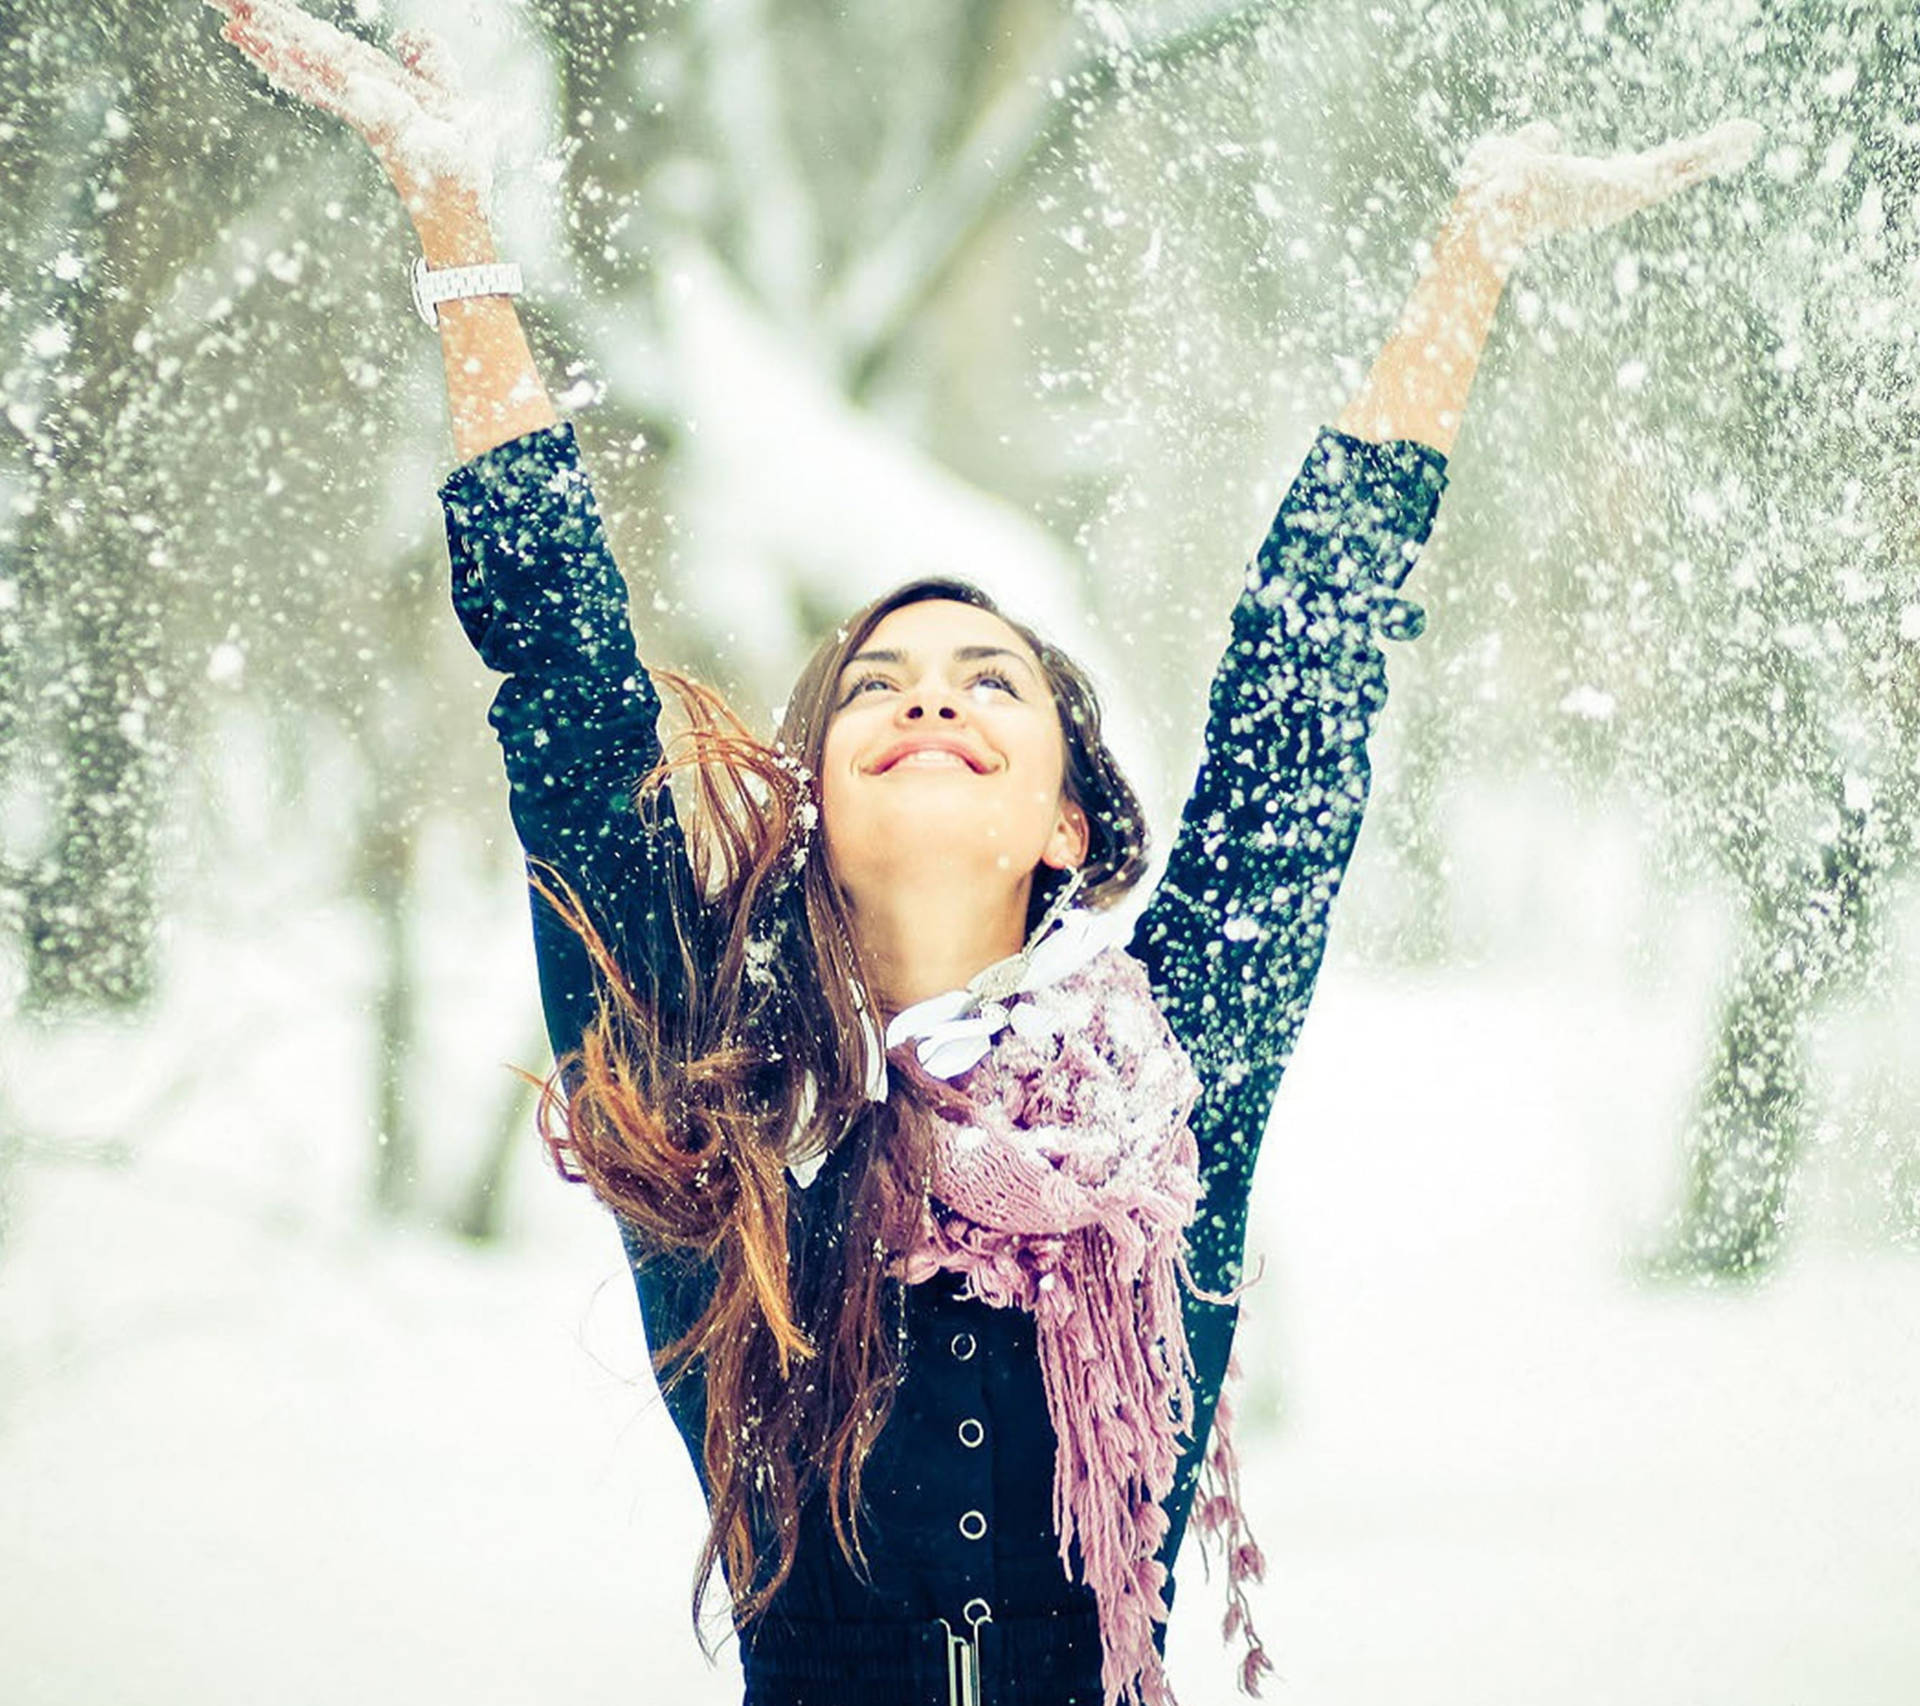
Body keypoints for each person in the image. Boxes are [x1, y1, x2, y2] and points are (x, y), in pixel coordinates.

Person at [207, 4, 1759, 1703]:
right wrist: (451, 215)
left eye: (988, 681)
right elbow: (567, 696)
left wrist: (1473, 252)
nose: (930, 697)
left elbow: (1305, 688)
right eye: (877, 682)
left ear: (1068, 818)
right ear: (809, 798)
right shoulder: (717, 1096)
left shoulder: (1169, 1089)